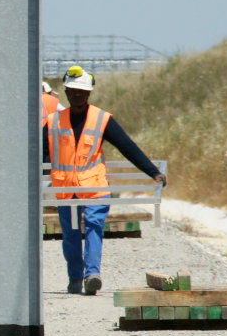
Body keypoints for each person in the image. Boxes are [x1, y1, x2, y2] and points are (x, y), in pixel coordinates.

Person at [45, 65, 167, 295]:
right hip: (65, 189)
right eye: (73, 91)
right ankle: (75, 277)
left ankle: (92, 274)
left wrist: (152, 171)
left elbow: (127, 146)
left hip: (94, 187)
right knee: (70, 234)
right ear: (67, 92)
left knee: (93, 226)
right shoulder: (53, 121)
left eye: (82, 92)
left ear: (89, 93)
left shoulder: (102, 119)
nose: (77, 95)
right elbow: (37, 151)